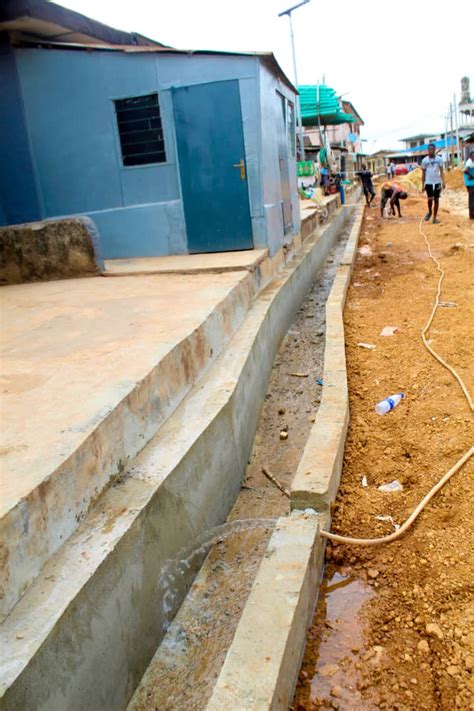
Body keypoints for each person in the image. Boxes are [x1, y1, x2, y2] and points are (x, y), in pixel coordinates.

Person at [421, 143, 445, 224]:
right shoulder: (424, 161)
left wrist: (443, 182)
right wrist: (422, 185)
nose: (431, 150)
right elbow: (423, 173)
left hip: (437, 182)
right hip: (428, 182)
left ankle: (434, 218)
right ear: (428, 150)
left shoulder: (439, 159)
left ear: (435, 150)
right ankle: (430, 212)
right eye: (430, 149)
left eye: (433, 149)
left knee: (436, 199)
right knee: (430, 199)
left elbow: (441, 171)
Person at [463, 149, 474, 219]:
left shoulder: (471, 162)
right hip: (470, 183)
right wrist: (472, 176)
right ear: (470, 156)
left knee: (472, 198)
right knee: (472, 199)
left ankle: (472, 214)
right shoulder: (469, 162)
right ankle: (472, 214)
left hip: (471, 183)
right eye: (473, 156)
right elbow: (465, 170)